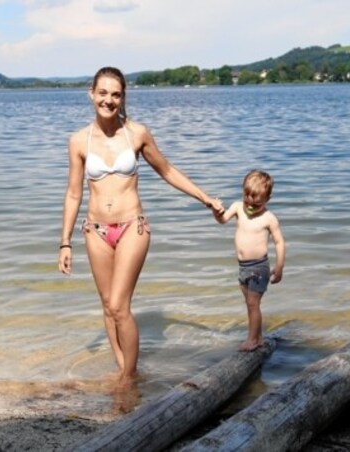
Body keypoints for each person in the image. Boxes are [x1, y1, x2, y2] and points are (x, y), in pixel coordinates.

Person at [58, 66, 224, 386]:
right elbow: (73, 193)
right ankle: (124, 371)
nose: (109, 100)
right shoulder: (78, 141)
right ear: (91, 94)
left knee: (120, 305)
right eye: (102, 93)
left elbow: (167, 171)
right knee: (108, 307)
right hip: (95, 231)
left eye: (116, 94)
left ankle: (128, 377)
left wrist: (205, 198)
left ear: (123, 97)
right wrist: (64, 242)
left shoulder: (137, 133)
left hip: (132, 226)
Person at [214, 170, 285, 352]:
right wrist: (217, 211)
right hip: (243, 267)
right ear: (243, 193)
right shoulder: (238, 207)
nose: (250, 205)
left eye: (257, 203)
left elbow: (279, 242)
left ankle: (252, 340)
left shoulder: (268, 218)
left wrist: (279, 267)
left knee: (253, 304)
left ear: (267, 199)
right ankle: (258, 337)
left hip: (259, 268)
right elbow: (222, 220)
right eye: (247, 199)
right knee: (251, 305)